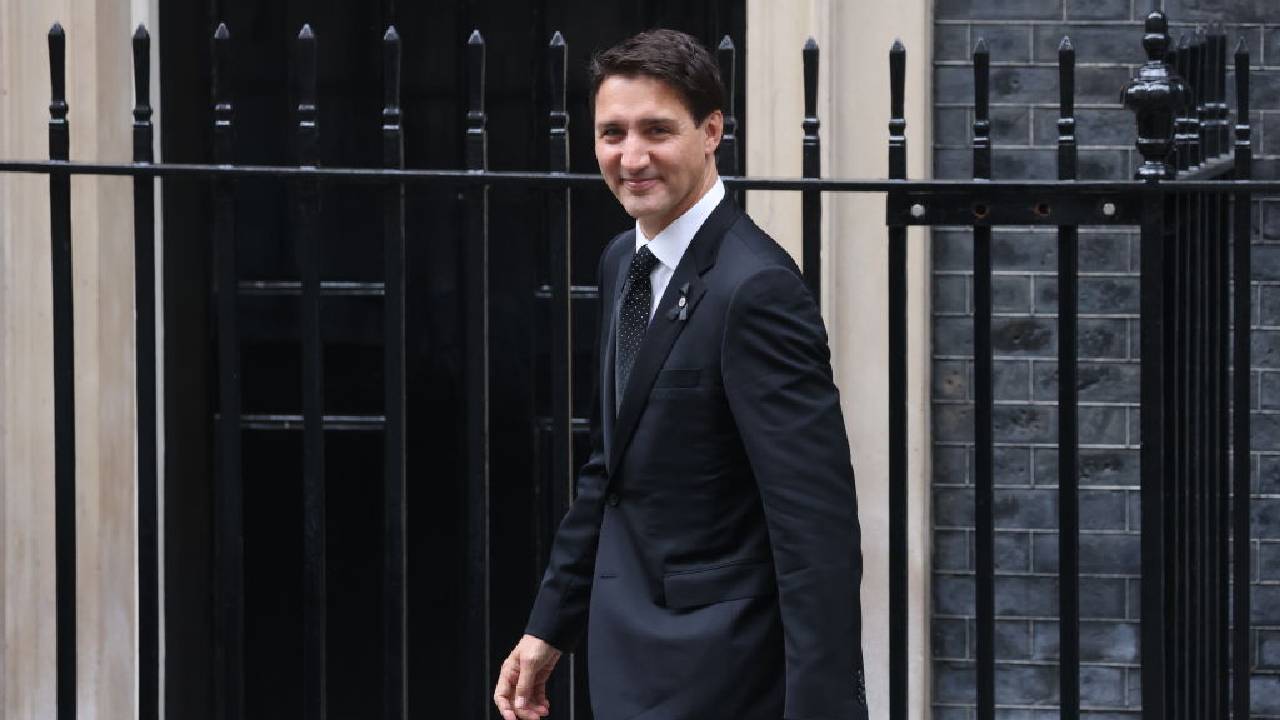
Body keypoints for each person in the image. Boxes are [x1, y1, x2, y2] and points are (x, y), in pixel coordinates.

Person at [493, 28, 868, 720]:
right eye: (612, 133)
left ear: (711, 131)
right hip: (626, 658)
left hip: (723, 674)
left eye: (656, 130)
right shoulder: (619, 262)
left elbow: (815, 531)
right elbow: (612, 470)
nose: (630, 157)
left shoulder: (755, 290)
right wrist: (549, 624)